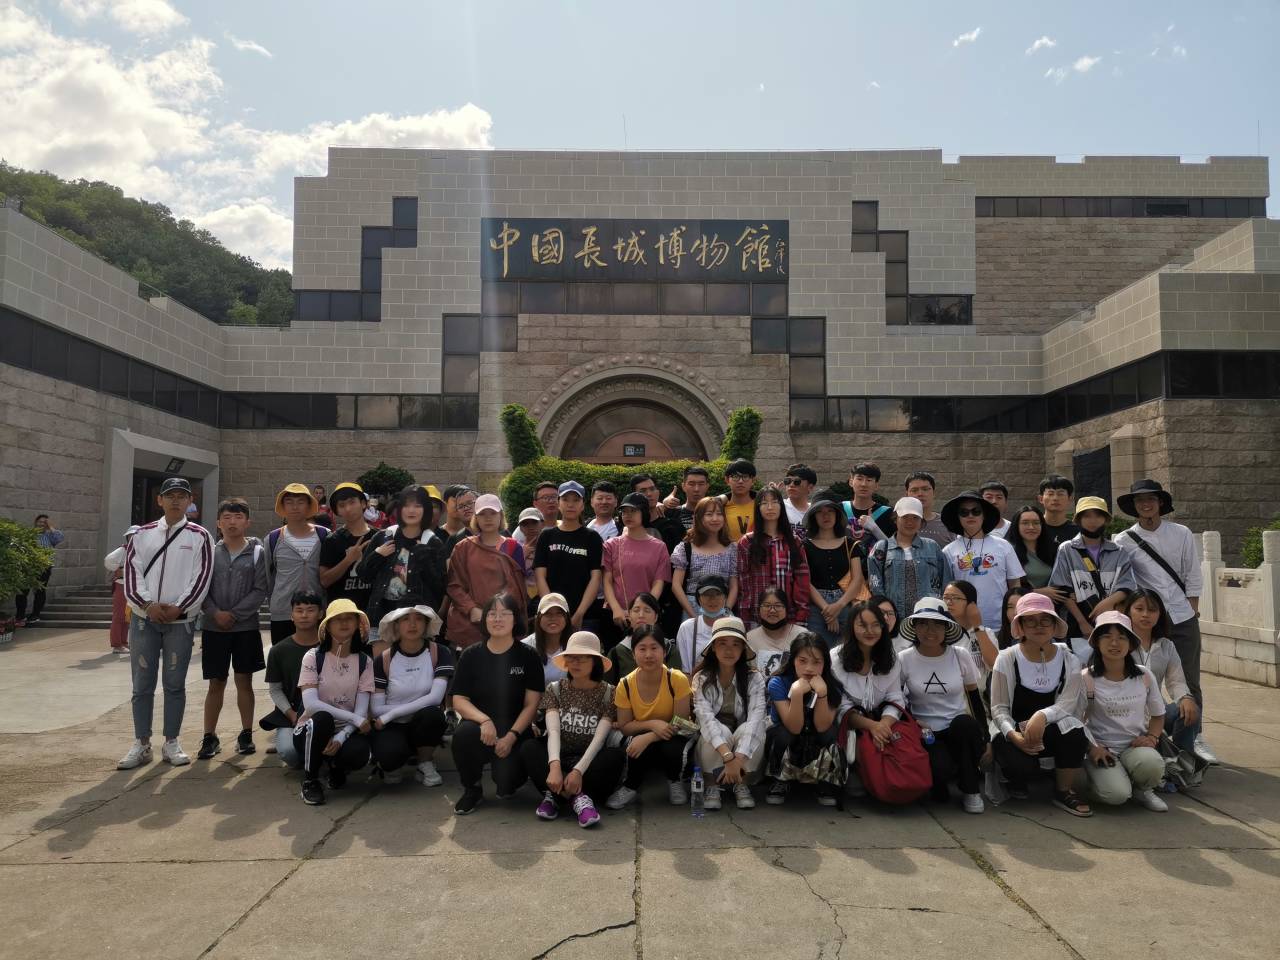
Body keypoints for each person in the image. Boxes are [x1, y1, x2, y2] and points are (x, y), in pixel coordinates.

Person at [1113, 479, 1215, 765]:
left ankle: (1194, 738)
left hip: (1182, 616)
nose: (1146, 504)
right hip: (1148, 619)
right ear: (1134, 506)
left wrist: (1192, 609)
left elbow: (1192, 572)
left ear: (1160, 503)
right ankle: (1148, 733)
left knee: (1189, 680)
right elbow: (1126, 581)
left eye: (1151, 499)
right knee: (1142, 676)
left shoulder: (1180, 533)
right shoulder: (1124, 540)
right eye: (1139, 500)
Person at [117, 477, 215, 770]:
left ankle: (171, 740)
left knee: (174, 684)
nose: (175, 500)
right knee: (141, 684)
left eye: (181, 496)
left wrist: (180, 607)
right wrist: (147, 604)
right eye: (169, 495)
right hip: (144, 619)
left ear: (190, 501)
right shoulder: (141, 534)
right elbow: (131, 572)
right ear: (159, 500)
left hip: (179, 622)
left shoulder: (200, 536)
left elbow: (202, 576)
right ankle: (141, 742)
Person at [989, 593, 1090, 817]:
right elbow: (998, 708)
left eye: (1045, 620)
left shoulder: (1070, 659)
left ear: (1055, 625)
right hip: (1016, 729)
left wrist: (1041, 717)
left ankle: (1063, 790)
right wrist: (1014, 736)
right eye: (1030, 621)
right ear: (1020, 626)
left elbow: (1068, 702)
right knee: (1020, 765)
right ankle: (1015, 778)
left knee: (1074, 732)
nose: (1039, 626)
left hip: (1051, 728)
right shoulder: (1006, 658)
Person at [450, 593, 546, 814]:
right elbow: (459, 700)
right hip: (481, 727)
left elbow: (531, 704)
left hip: (516, 728)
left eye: (504, 614)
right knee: (463, 734)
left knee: (507, 783)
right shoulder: (470, 655)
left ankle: (506, 782)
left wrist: (512, 736)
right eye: (492, 614)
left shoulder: (528, 655)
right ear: (485, 619)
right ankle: (472, 789)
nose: (497, 619)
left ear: (515, 619)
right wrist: (484, 720)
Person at [520, 631, 625, 827]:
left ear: (595, 662)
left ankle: (557, 796)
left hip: (589, 762)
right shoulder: (555, 689)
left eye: (582, 658)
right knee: (529, 748)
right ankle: (577, 798)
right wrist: (555, 767)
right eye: (571, 657)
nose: (575, 663)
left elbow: (599, 739)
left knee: (615, 757)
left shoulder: (609, 692)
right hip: (559, 757)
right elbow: (553, 731)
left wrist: (577, 771)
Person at [897, 598, 987, 813]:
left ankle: (971, 789)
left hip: (958, 728)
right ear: (914, 627)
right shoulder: (904, 659)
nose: (930, 631)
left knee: (965, 725)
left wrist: (986, 738)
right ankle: (938, 783)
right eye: (923, 623)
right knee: (940, 768)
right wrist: (913, 721)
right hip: (924, 730)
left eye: (937, 624)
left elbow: (974, 698)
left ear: (947, 627)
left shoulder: (960, 655)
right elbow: (896, 699)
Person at [197, 498, 269, 760]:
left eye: (238, 517)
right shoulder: (209, 552)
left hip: (245, 628)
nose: (232, 522)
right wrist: (215, 613)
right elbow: (200, 587)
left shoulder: (258, 553)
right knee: (215, 682)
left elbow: (260, 589)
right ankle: (209, 736)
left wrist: (235, 615)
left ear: (247, 522)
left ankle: (246, 733)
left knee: (244, 681)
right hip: (213, 627)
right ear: (218, 523)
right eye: (226, 517)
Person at [1080, 611, 1170, 812]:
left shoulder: (1144, 675)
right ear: (1097, 642)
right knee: (1117, 795)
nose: (1115, 643)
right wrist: (1092, 748)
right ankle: (1095, 785)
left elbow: (1158, 714)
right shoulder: (1086, 678)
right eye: (1107, 637)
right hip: (1101, 749)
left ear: (1130, 644)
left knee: (1152, 763)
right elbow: (1075, 721)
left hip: (1134, 746)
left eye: (1122, 637)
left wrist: (1152, 738)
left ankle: (1143, 790)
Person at [293, 599, 374, 805]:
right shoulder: (313, 657)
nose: (344, 623)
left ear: (357, 624)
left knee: (359, 753)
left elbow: (361, 710)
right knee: (322, 718)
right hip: (312, 728)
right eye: (337, 619)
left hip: (346, 730)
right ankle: (310, 780)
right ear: (327, 625)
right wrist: (356, 719)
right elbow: (311, 705)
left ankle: (336, 768)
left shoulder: (365, 662)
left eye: (349, 618)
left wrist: (341, 736)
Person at [606, 627, 694, 809]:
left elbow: (682, 721)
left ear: (664, 651)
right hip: (642, 730)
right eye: (642, 648)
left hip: (676, 731)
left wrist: (650, 736)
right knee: (635, 745)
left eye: (654, 648)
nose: (648, 655)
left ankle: (675, 781)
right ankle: (630, 786)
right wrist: (653, 725)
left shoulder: (677, 679)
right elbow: (625, 726)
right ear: (633, 654)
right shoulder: (625, 684)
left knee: (671, 748)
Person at [369, 602, 453, 787]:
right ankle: (396, 759)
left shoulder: (440, 652)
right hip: (393, 725)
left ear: (426, 624)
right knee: (390, 761)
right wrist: (393, 716)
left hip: (421, 721)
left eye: (419, 619)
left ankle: (425, 762)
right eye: (405, 619)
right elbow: (375, 709)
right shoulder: (383, 659)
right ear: (396, 625)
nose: (412, 624)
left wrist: (390, 713)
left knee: (433, 714)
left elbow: (435, 698)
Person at [690, 616, 767, 810]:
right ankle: (711, 785)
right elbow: (706, 720)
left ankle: (742, 783)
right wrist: (727, 756)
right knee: (718, 730)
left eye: (736, 644)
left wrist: (737, 759)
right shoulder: (701, 678)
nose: (729, 650)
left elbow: (757, 719)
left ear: (743, 649)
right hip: (714, 743)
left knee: (754, 729)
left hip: (741, 742)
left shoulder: (754, 678)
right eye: (722, 643)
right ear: (713, 647)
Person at [831, 601, 907, 796]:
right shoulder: (836, 659)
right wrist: (872, 726)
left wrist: (883, 725)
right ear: (851, 626)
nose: (870, 631)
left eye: (875, 625)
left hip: (882, 721)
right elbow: (840, 706)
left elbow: (895, 698)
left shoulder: (891, 657)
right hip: (848, 725)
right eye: (862, 625)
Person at [1049, 497, 1136, 661]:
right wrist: (1082, 622)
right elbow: (1063, 589)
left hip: (1113, 621)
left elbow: (1127, 585)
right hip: (1078, 625)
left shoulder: (1119, 551)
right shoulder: (1067, 549)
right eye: (1087, 516)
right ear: (1078, 520)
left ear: (1106, 519)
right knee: (1080, 669)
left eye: (1098, 515)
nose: (1093, 520)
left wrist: (1107, 602)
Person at [763, 631, 845, 806]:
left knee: (830, 734)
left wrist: (822, 694)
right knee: (784, 734)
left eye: (816, 662)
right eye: (802, 661)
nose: (809, 668)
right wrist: (797, 693)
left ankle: (824, 780)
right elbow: (793, 727)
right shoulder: (778, 683)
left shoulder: (834, 686)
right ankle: (780, 778)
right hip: (788, 734)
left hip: (815, 735)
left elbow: (822, 726)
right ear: (793, 660)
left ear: (825, 663)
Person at [360, 485, 447, 639]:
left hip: (416, 622)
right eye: (406, 505)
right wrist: (378, 555)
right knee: (381, 656)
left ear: (426, 510)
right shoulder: (384, 536)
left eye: (417, 506)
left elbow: (440, 588)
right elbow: (364, 576)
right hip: (381, 616)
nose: (411, 510)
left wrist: (424, 560)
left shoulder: (433, 542)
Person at [446, 493, 527, 650]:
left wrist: (499, 613)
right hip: (469, 624)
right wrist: (471, 609)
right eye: (482, 514)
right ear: (476, 518)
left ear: (501, 516)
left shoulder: (513, 547)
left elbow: (518, 589)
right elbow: (454, 585)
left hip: (504, 622)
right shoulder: (463, 547)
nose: (488, 518)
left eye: (493, 513)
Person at [1123, 588, 1199, 756]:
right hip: (1125, 713)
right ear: (1128, 611)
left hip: (1156, 712)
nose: (1145, 615)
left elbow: (1176, 681)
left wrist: (1186, 698)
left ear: (1160, 614)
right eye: (1139, 609)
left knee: (1190, 710)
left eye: (1152, 610)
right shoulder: (1120, 644)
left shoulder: (1166, 646)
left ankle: (1182, 758)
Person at [939, 491, 1024, 632]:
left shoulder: (1003, 546)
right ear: (958, 517)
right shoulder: (948, 551)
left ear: (984, 515)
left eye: (976, 511)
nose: (970, 515)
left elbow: (1015, 584)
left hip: (1001, 624)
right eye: (964, 512)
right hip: (964, 626)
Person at [260, 591, 324, 769]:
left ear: (320, 614)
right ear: (291, 615)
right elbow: (275, 689)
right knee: (289, 752)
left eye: (310, 610)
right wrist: (291, 714)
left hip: (326, 713)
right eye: (299, 610)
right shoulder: (279, 650)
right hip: (292, 714)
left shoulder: (330, 647)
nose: (304, 615)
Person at [868, 497, 951, 630]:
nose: (910, 522)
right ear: (895, 519)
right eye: (905, 517)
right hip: (894, 621)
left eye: (915, 518)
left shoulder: (932, 547)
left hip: (929, 617)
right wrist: (885, 613)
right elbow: (875, 586)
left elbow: (946, 582)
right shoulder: (881, 548)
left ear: (921, 521)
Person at [265, 483, 331, 646]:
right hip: (283, 612)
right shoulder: (273, 538)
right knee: (283, 657)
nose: (295, 507)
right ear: (283, 506)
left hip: (317, 611)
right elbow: (268, 576)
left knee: (317, 658)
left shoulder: (324, 535)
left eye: (301, 502)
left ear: (309, 506)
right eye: (289, 502)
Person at [736, 487, 810, 631]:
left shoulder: (794, 541)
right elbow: (743, 583)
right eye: (764, 503)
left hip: (789, 616)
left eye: (775, 502)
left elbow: (802, 580)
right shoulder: (747, 542)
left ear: (781, 506)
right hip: (756, 617)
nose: (770, 507)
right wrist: (745, 617)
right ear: (758, 508)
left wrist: (801, 615)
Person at [534, 481, 604, 632]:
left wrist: (579, 614)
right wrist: (552, 610)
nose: (570, 505)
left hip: (585, 617)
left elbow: (596, 578)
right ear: (558, 503)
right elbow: (540, 576)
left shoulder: (592, 537)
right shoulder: (546, 536)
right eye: (565, 500)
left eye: (576, 500)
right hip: (551, 615)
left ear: (583, 505)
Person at [603, 493, 672, 635]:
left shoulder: (659, 547)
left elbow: (658, 582)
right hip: (616, 616)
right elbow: (607, 581)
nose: (628, 515)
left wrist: (643, 610)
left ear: (644, 513)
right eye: (624, 511)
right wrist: (616, 609)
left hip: (646, 617)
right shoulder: (611, 545)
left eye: (633, 511)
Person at [802, 494, 867, 647]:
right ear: (813, 516)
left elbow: (857, 579)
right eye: (820, 512)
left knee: (849, 650)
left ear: (837, 515)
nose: (826, 515)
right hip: (816, 607)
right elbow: (805, 581)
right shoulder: (804, 546)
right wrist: (827, 610)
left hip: (847, 603)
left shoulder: (850, 544)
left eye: (830, 511)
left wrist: (838, 606)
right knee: (817, 649)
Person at [671, 496, 739, 621]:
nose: (715, 518)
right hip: (693, 608)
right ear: (699, 518)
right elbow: (676, 585)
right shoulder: (685, 548)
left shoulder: (732, 548)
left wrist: (726, 611)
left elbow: (734, 585)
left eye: (719, 514)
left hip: (722, 608)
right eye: (709, 514)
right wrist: (693, 616)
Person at [318, 482, 376, 615]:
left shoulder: (378, 536)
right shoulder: (332, 540)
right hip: (340, 614)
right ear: (337, 511)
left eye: (352, 502)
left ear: (363, 503)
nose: (348, 508)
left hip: (372, 613)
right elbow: (324, 581)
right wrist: (348, 560)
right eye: (342, 505)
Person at [606, 599, 678, 682]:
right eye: (636, 610)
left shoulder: (669, 649)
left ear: (656, 617)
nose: (641, 615)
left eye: (647, 611)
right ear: (629, 616)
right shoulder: (616, 652)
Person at [746, 586, 807, 679]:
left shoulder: (801, 635)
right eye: (767, 606)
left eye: (778, 606)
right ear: (759, 609)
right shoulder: (749, 638)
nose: (772, 610)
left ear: (786, 609)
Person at [673, 576, 731, 673]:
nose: (712, 599)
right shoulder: (687, 628)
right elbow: (685, 671)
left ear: (725, 597)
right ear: (698, 599)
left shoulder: (734, 625)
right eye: (707, 594)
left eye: (717, 594)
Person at [15, 514, 64, 626]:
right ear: (35, 522)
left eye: (44, 522)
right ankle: (20, 617)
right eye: (40, 522)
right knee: (22, 591)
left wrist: (51, 527)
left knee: (40, 591)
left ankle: (35, 615)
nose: (42, 524)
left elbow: (60, 538)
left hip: (44, 567)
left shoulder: (50, 536)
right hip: (28, 567)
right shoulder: (28, 535)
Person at [942, 579, 999, 676]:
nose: (948, 602)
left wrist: (977, 626)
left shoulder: (985, 632)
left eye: (955, 598)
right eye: (945, 597)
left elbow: (994, 664)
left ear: (971, 604)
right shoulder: (940, 632)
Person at [103, 525, 140, 655]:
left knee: (126, 616)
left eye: (136, 536)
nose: (133, 538)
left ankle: (123, 642)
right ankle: (117, 644)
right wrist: (119, 569)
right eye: (131, 536)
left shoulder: (142, 551)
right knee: (119, 615)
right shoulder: (123, 550)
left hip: (133, 586)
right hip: (122, 585)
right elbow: (108, 560)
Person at [841, 462, 895, 547]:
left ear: (876, 485)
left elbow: (894, 549)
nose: (864, 484)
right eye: (859, 479)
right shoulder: (839, 510)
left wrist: (875, 528)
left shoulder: (888, 514)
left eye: (869, 480)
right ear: (851, 482)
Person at [1005, 504, 1057, 591]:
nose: (1031, 527)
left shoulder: (1054, 548)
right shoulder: (1008, 550)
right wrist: (1039, 592)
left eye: (1036, 523)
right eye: (1025, 523)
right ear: (1016, 526)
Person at [523, 592, 571, 684]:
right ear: (538, 618)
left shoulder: (576, 646)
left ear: (567, 618)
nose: (553, 618)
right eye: (547, 613)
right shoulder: (525, 647)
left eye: (559, 613)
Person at [905, 471, 955, 548]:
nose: (920, 494)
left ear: (934, 493)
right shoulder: (898, 523)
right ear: (907, 495)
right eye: (914, 490)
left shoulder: (948, 524)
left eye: (925, 489)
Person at [659, 465, 712, 533]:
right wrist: (660, 505)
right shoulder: (672, 513)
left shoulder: (716, 513)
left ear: (707, 486)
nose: (696, 489)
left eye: (701, 484)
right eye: (691, 484)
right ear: (683, 486)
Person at [1038, 475, 1080, 548]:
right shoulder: (1033, 529)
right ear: (1041, 499)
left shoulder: (1078, 532)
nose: (1055, 498)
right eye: (1050, 494)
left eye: (1060, 494)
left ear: (1070, 499)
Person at [515, 507, 545, 608]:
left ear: (542, 524)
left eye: (534, 522)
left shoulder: (550, 547)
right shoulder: (514, 548)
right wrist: (521, 555)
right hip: (522, 600)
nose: (530, 527)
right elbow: (509, 575)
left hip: (545, 598)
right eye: (525, 524)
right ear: (520, 528)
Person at [722, 459, 758, 539]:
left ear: (753, 480)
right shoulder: (719, 507)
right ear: (727, 480)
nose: (741, 481)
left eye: (745, 477)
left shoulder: (761, 505)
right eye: (735, 477)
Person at [780, 463, 817, 536]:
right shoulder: (779, 507)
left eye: (797, 481)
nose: (791, 485)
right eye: (787, 481)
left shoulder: (816, 511)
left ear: (810, 487)